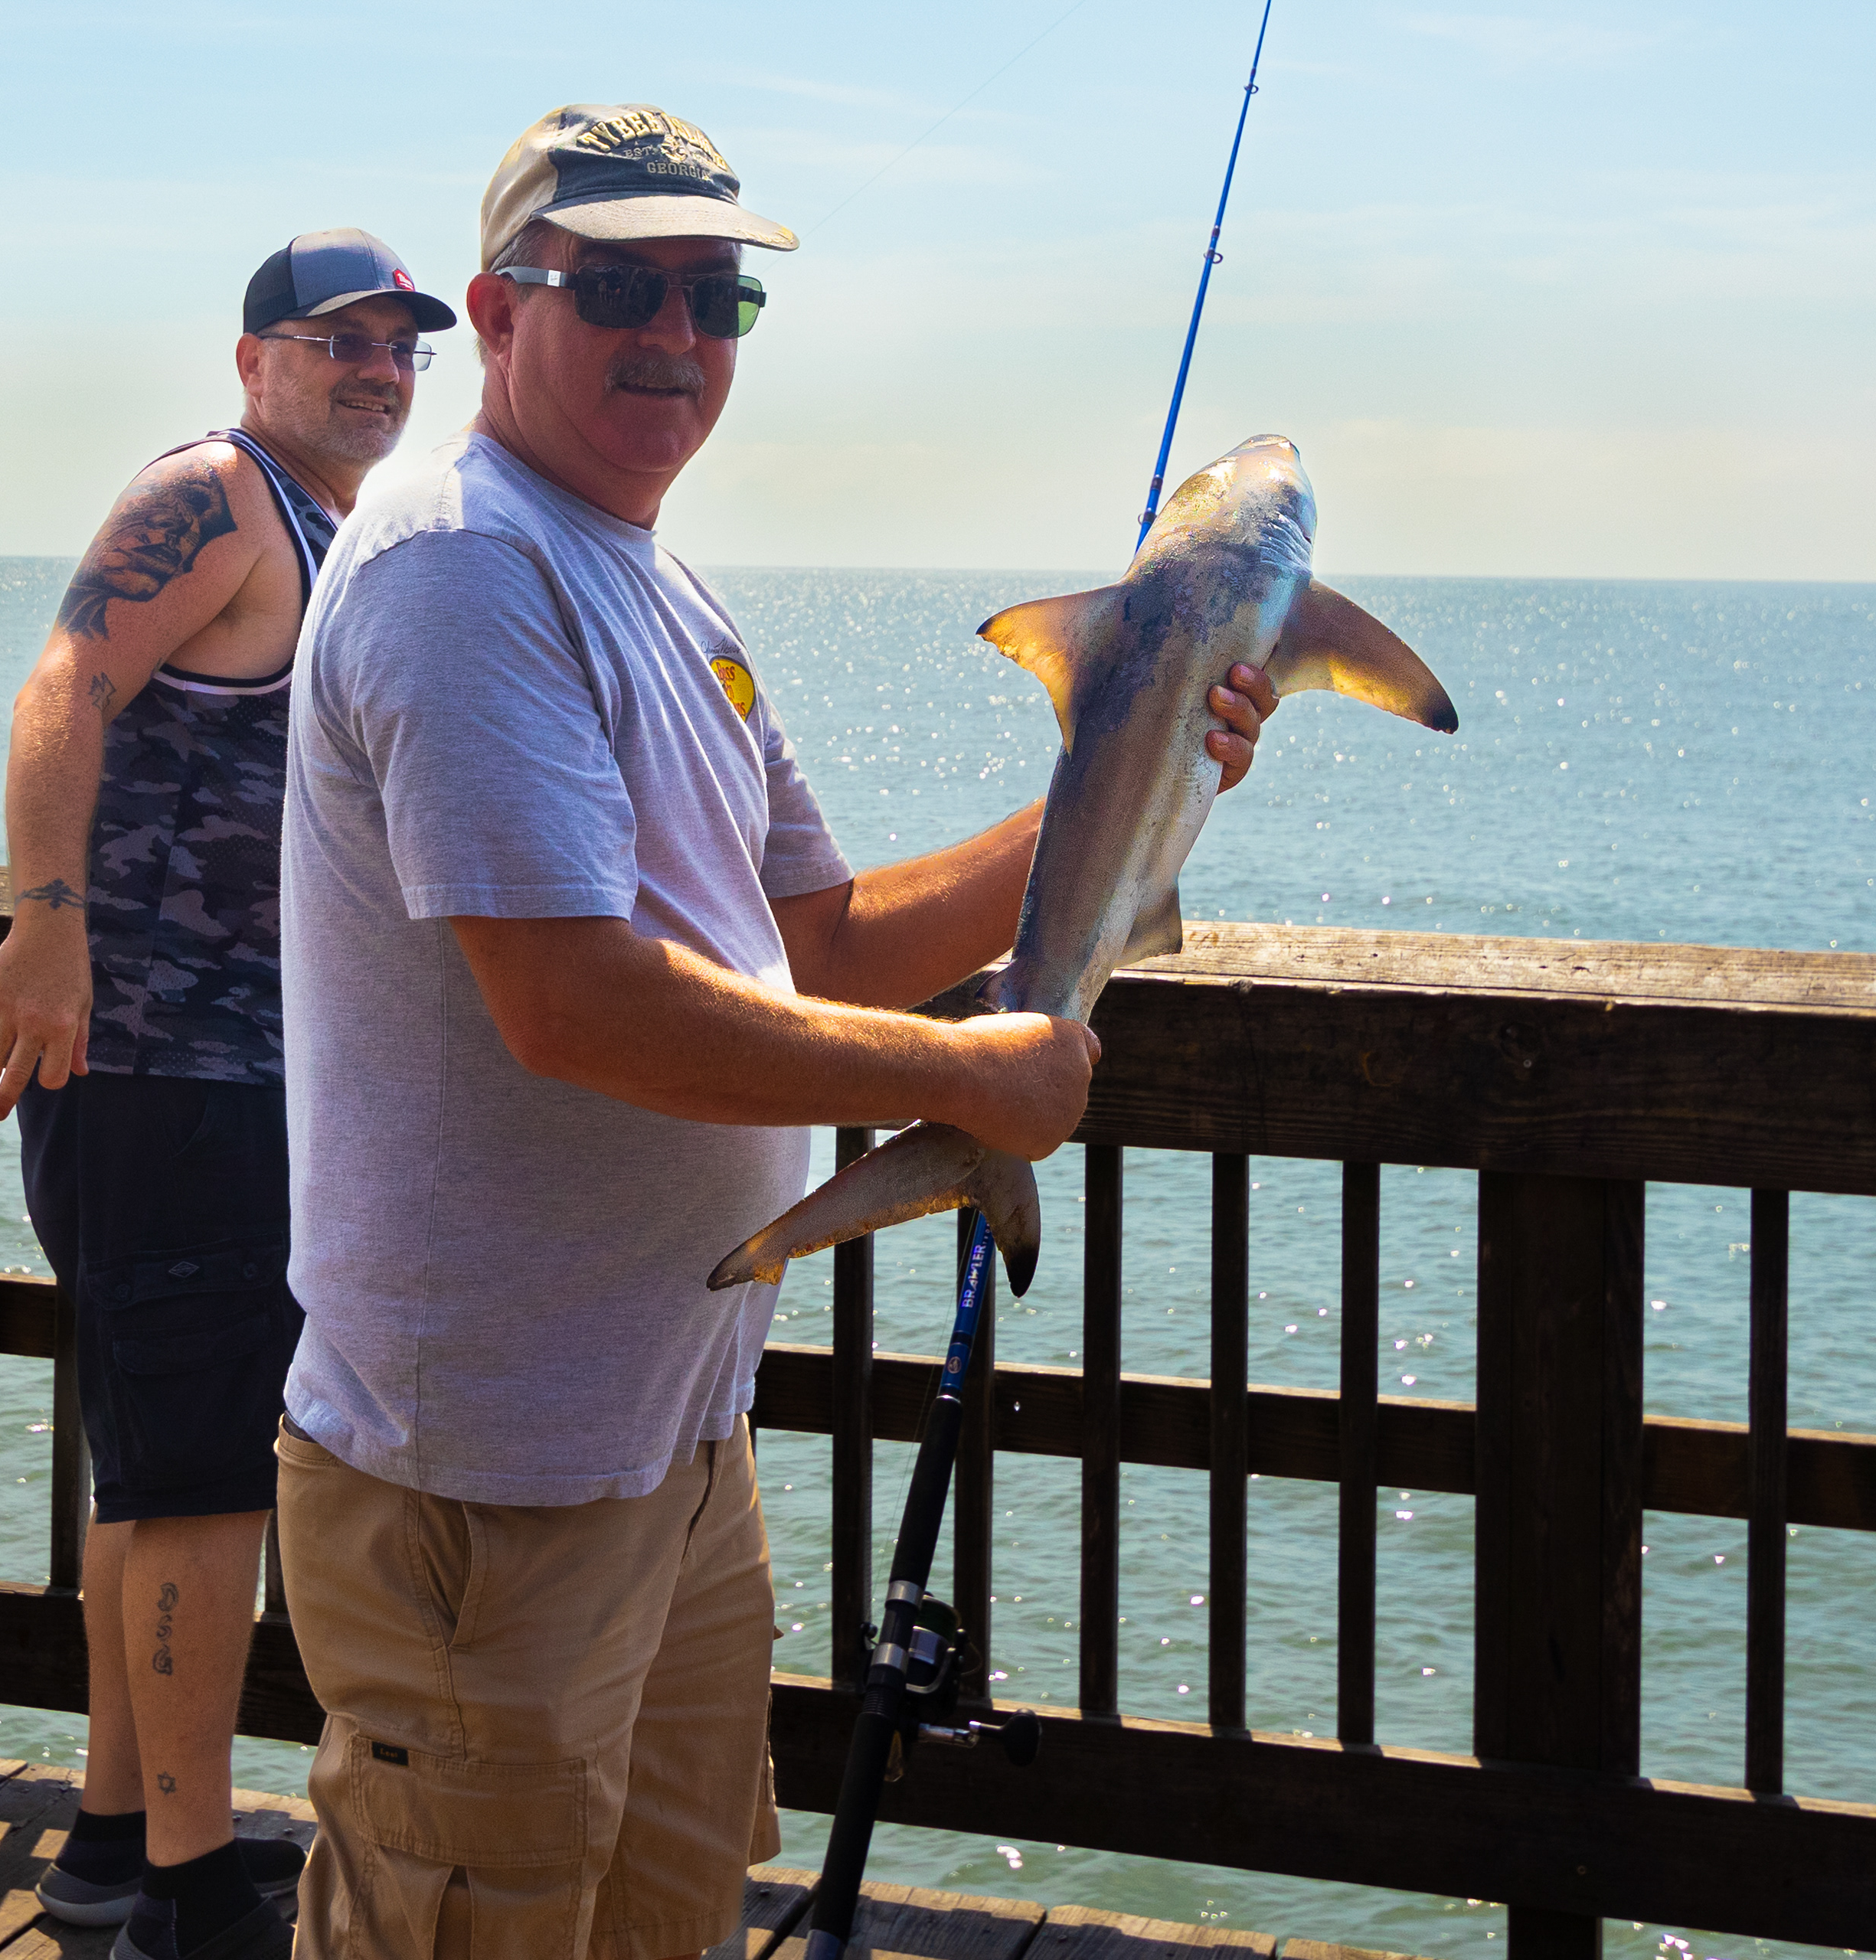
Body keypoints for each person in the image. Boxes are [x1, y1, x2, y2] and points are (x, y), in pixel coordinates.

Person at [273, 105, 1278, 1960]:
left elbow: (818, 939)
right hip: (487, 1473)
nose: (678, 334)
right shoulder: (460, 567)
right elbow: (570, 1005)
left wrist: (1122, 772)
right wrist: (975, 1078)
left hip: (673, 1437)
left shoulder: (655, 582)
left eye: (717, 295)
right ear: (497, 316)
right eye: (621, 287)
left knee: (662, 1918)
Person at [0, 228, 455, 1960]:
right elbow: (63, 681)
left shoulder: (340, 528)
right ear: (255, 360)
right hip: (163, 1068)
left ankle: (113, 1834)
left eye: (402, 347)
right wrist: (46, 923)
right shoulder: (218, 492)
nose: (378, 371)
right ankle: (185, 1891)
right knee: (197, 1494)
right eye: (341, 342)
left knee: (159, 1473)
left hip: (245, 1079)